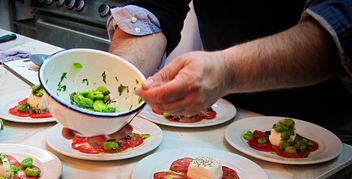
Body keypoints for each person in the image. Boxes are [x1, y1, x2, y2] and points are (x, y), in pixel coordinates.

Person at [62, 0, 352, 146]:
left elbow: (341, 22)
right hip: (225, 106)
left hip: (322, 115)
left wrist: (230, 70)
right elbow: (154, 10)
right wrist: (119, 81)